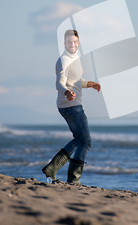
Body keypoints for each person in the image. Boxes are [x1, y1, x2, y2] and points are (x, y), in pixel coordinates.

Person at [42, 29, 101, 184]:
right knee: (86, 141)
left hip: (70, 104)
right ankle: (73, 179)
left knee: (78, 139)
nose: (72, 44)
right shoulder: (64, 60)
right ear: (64, 43)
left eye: (75, 42)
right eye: (69, 42)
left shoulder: (75, 59)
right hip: (71, 105)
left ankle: (52, 168)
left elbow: (75, 80)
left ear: (78, 43)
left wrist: (90, 84)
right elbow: (60, 82)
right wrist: (66, 92)